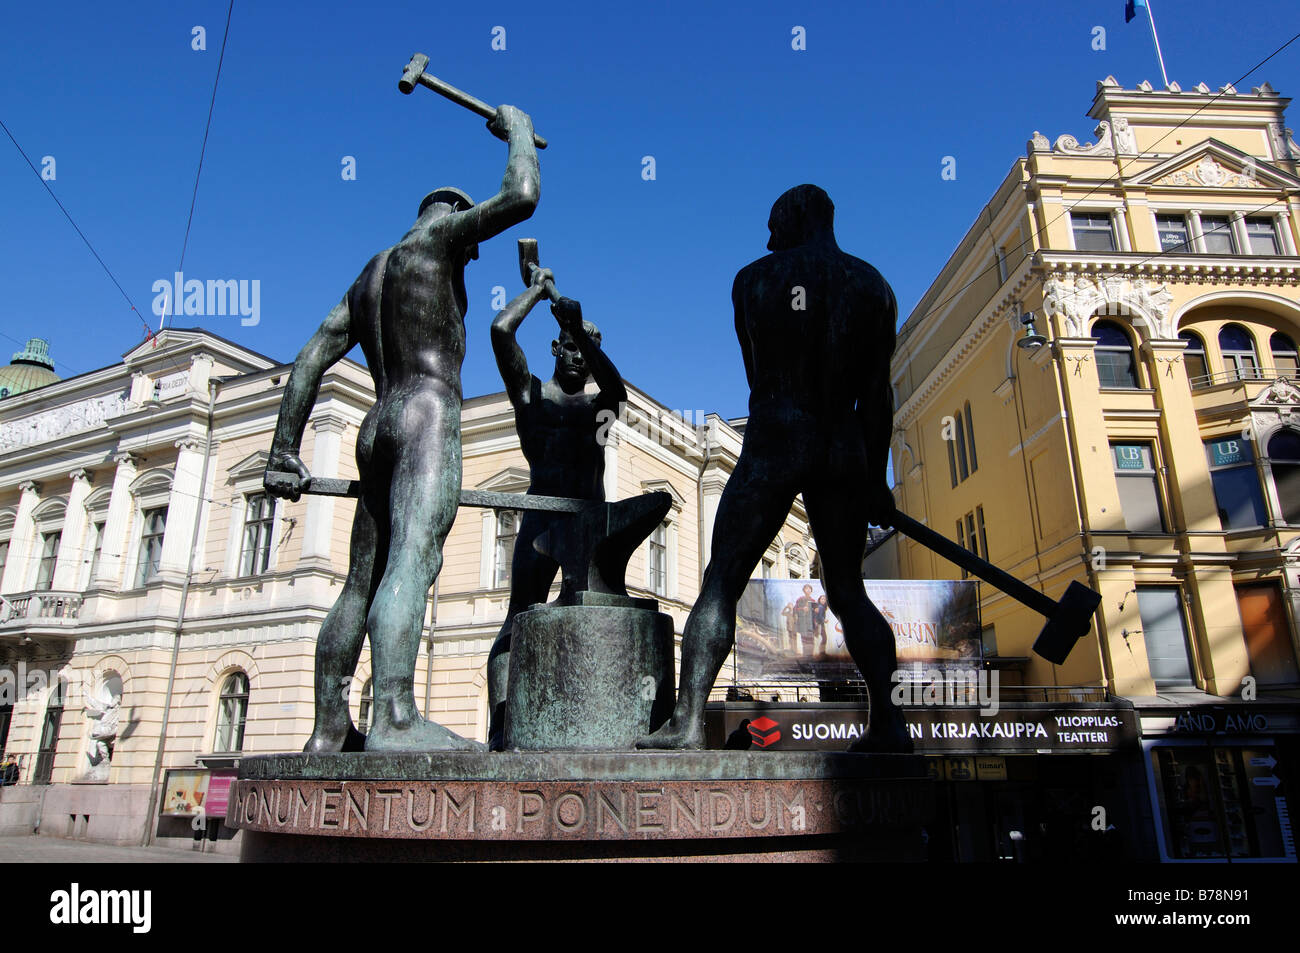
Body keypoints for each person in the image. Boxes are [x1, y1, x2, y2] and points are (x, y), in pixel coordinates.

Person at [265, 105, 541, 753]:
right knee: (413, 559)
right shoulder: (443, 244)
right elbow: (522, 196)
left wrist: (284, 448)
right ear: (460, 229)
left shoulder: (369, 276)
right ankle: (393, 714)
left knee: (361, 576)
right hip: (426, 413)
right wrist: (519, 131)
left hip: (376, 421)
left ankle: (330, 724)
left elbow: (308, 359)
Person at [639, 184, 911, 753]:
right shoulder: (874, 286)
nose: (767, 237)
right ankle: (889, 725)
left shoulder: (751, 281)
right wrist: (877, 479)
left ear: (794, 217)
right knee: (847, 591)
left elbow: (755, 373)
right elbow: (877, 396)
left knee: (721, 579)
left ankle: (688, 723)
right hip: (842, 446)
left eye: (773, 223)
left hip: (775, 437)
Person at [485, 268, 627, 749]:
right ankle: (501, 725)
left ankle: (587, 727)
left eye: (585, 355)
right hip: (542, 517)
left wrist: (583, 331)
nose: (577, 360)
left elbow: (618, 391)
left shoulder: (598, 410)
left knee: (590, 624)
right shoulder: (531, 396)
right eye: (569, 347)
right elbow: (501, 330)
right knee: (519, 618)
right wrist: (540, 289)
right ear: (554, 348)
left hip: (588, 525)